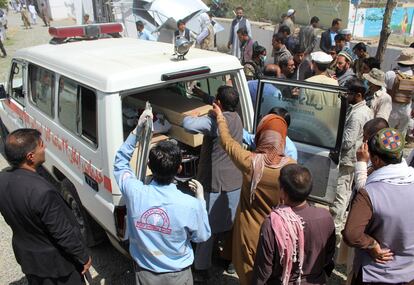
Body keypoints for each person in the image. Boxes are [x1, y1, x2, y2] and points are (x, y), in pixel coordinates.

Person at [113, 110, 211, 285]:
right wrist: (201, 200)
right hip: (179, 276)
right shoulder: (190, 205)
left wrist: (136, 131)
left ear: (149, 166)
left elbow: (120, 163)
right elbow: (201, 236)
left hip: (145, 275)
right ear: (179, 169)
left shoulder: (135, 192)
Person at [210, 104, 296, 285]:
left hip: (248, 234)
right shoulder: (291, 167)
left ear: (261, 135)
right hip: (277, 232)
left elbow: (227, 141)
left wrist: (220, 116)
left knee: (248, 276)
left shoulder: (250, 162)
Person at [0, 128, 92, 284]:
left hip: (30, 261)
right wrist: (83, 257)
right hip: (57, 266)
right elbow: (62, 232)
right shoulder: (42, 192)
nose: (45, 149)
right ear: (30, 156)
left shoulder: (2, 179)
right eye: (41, 146)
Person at [182, 86, 243, 281]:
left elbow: (187, 124)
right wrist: (204, 96)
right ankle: (230, 260)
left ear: (218, 103)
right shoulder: (237, 117)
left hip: (215, 183)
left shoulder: (214, 121)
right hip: (235, 181)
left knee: (206, 228)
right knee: (229, 223)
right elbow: (222, 105)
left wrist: (193, 113)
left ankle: (201, 268)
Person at [343, 128, 414, 284]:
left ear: (375, 160)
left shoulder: (370, 193)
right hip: (409, 274)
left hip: (374, 274)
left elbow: (351, 234)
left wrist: (372, 244)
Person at [252, 164, 335, 285]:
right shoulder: (325, 217)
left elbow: (263, 269)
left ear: (283, 192)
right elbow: (329, 256)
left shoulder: (273, 223)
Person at [330, 78, 373, 246]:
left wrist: (333, 136)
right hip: (354, 159)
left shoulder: (356, 115)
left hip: (348, 160)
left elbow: (347, 142)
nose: (346, 96)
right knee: (346, 192)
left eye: (349, 93)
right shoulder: (364, 110)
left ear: (359, 95)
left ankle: (335, 227)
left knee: (341, 193)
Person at [385, 48, 414, 138]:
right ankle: (397, 152)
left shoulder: (390, 74)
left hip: (390, 110)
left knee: (386, 135)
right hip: (406, 111)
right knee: (400, 137)